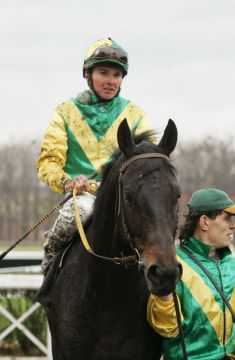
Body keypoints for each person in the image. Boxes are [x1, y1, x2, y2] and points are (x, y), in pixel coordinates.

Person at [37, 37, 151, 274]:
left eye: (117, 75)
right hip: (84, 198)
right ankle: (49, 264)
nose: (111, 81)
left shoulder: (135, 115)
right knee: (81, 210)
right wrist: (68, 182)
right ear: (87, 75)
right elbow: (48, 162)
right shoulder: (64, 113)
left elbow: (148, 165)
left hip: (124, 198)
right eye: (104, 73)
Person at [147, 188, 235, 359]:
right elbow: (168, 329)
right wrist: (164, 295)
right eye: (227, 218)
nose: (233, 225)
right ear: (204, 222)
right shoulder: (172, 266)